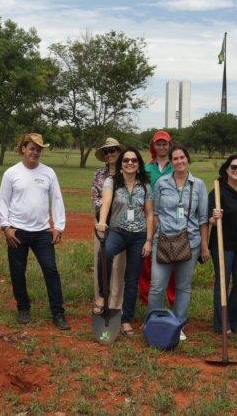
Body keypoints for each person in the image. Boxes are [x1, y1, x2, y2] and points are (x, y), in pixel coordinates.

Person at [0, 133, 70, 330]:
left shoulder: (48, 173)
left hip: (42, 232)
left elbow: (56, 200)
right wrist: (6, 227)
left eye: (38, 149)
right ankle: (23, 308)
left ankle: (58, 312)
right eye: (32, 148)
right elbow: (3, 201)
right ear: (23, 149)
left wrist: (59, 227)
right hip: (17, 231)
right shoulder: (11, 173)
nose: (35, 152)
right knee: (17, 272)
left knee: (51, 270)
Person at [148, 145, 210, 341]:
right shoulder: (161, 183)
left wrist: (204, 246)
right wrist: (150, 240)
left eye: (182, 157)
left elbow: (203, 219)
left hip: (189, 242)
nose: (179, 161)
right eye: (175, 159)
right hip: (163, 241)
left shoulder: (198, 185)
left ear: (187, 159)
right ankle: (154, 322)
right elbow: (155, 214)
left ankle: (178, 324)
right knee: (157, 286)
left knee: (183, 286)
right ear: (171, 162)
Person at [94, 147, 154, 336]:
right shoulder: (112, 182)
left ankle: (126, 319)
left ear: (138, 165)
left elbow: (150, 214)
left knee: (132, 278)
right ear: (121, 164)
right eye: (126, 160)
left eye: (133, 161)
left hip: (138, 235)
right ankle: (103, 297)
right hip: (118, 231)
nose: (129, 163)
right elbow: (106, 203)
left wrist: (149, 240)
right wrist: (102, 222)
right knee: (105, 254)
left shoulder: (145, 185)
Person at [208, 155, 237, 333]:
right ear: (226, 169)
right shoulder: (218, 191)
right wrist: (214, 218)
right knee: (223, 282)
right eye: (233, 167)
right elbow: (208, 219)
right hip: (223, 245)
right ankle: (221, 324)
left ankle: (233, 318)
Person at [139, 130, 176, 305]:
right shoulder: (146, 168)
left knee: (172, 260)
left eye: (164, 143)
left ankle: (173, 300)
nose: (161, 146)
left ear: (169, 145)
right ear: (154, 146)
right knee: (148, 261)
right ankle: (148, 301)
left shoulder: (175, 165)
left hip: (170, 219)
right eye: (158, 143)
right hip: (150, 217)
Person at [91, 138, 126, 310]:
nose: (110, 153)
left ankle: (116, 304)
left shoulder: (126, 173)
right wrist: (104, 217)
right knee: (101, 260)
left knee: (119, 265)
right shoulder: (99, 175)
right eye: (106, 151)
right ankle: (100, 298)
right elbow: (96, 200)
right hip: (102, 224)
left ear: (119, 152)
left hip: (122, 225)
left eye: (113, 150)